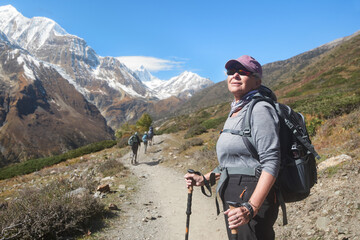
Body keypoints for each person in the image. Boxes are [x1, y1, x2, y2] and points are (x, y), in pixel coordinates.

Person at [184, 55, 281, 240]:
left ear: (257, 81)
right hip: (235, 196)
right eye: (231, 71)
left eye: (243, 72)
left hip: (250, 196)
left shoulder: (260, 110)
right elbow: (234, 163)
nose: (235, 75)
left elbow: (271, 162)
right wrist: (204, 179)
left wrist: (251, 207)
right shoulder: (236, 110)